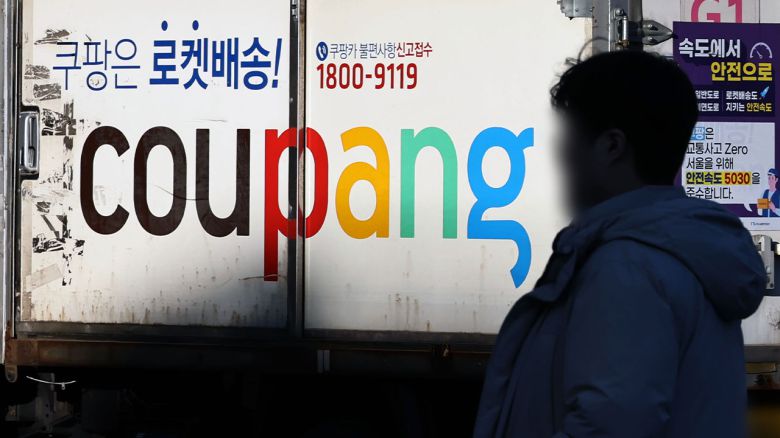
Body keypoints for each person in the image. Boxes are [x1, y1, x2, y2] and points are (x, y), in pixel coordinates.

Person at [474, 50, 766, 437]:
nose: (561, 154)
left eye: (570, 138)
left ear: (612, 146)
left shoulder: (627, 265)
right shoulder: (681, 250)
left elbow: (610, 424)